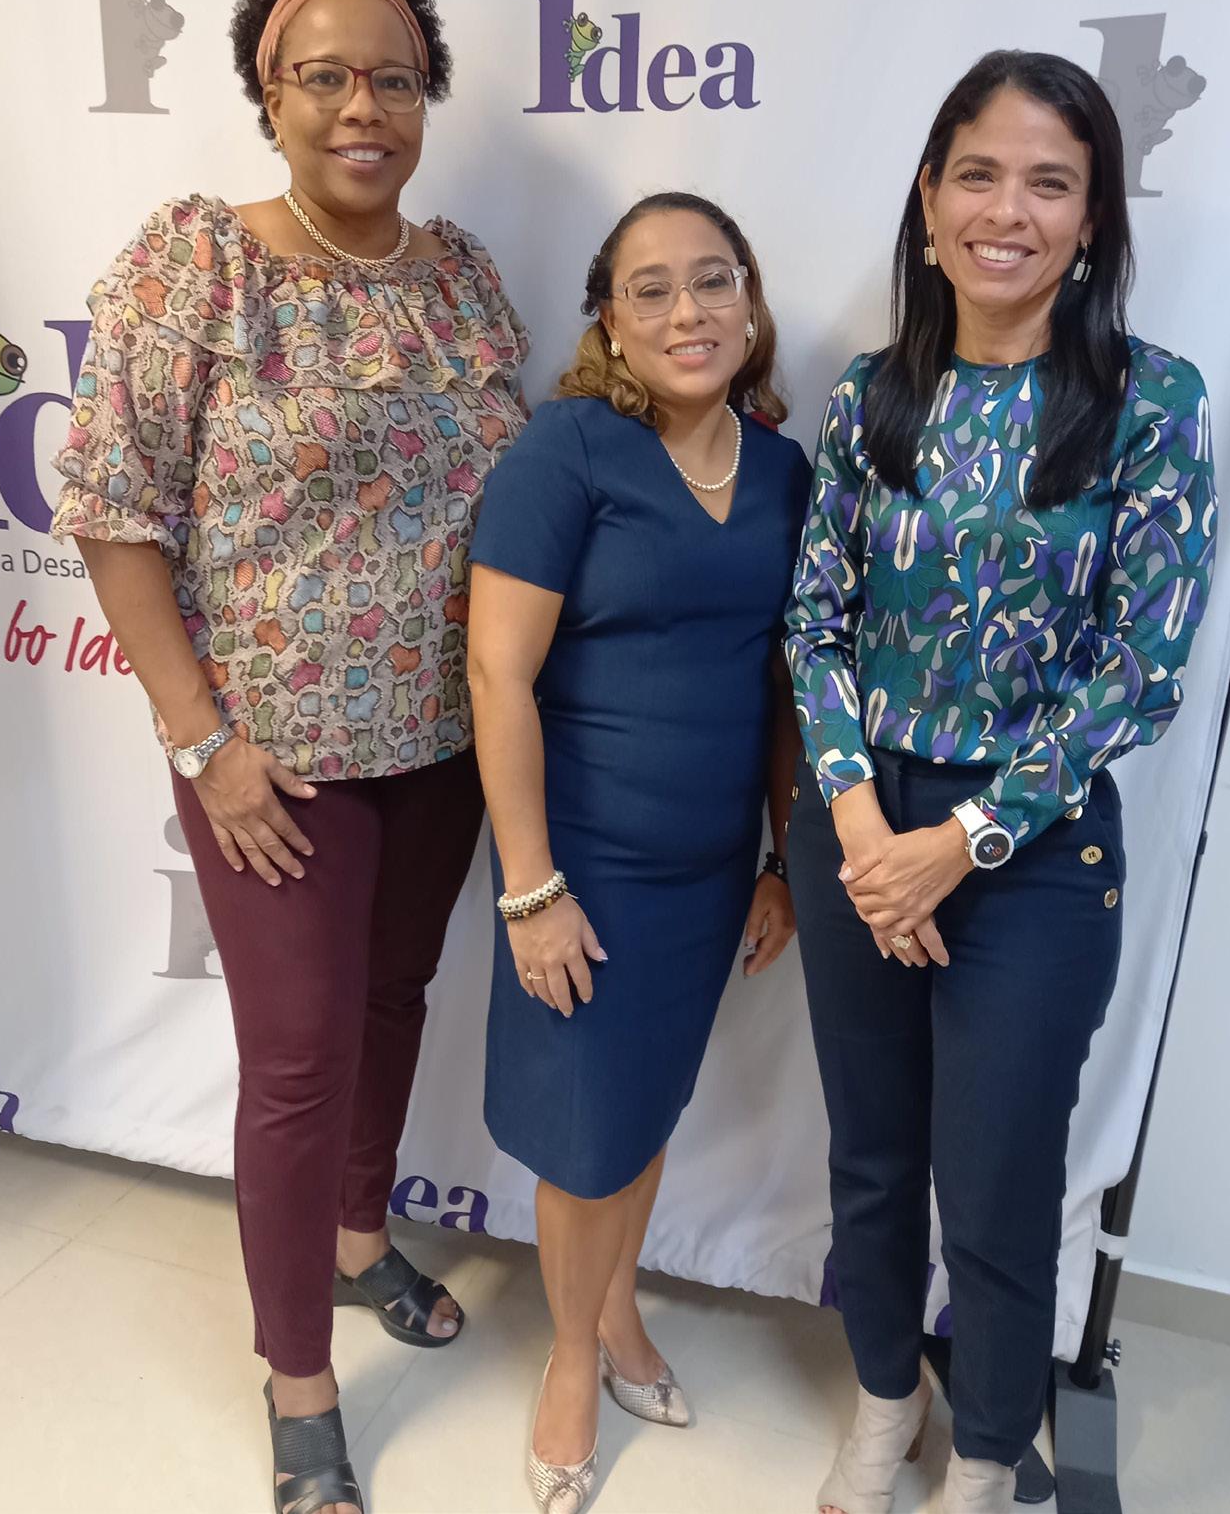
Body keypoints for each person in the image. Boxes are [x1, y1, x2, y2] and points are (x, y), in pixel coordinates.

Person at [50, 0, 529, 1514]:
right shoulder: (197, 265)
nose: (360, 107)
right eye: (322, 75)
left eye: (392, 77)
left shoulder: (461, 276)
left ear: (428, 95)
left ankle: (355, 1235)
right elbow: (114, 512)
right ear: (268, 93)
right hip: (275, 760)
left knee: (392, 998)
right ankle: (301, 1379)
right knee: (300, 1056)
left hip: (444, 742)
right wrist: (206, 744)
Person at [785, 50, 1217, 1514]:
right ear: (928, 201)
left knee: (996, 1177)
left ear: (1091, 219)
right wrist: (864, 828)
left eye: (1049, 182)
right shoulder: (871, 396)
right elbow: (814, 621)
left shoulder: (1147, 401)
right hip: (859, 824)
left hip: (1030, 850)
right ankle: (881, 1401)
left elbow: (1141, 665)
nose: (1007, 211)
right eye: (977, 174)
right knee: (870, 1156)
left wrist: (958, 841)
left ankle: (981, 1451)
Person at [467, 192, 810, 1513]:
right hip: (583, 870)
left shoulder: (781, 472)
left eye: (713, 280)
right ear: (608, 320)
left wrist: (780, 857)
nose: (687, 311)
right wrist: (532, 889)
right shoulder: (568, 451)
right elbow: (498, 676)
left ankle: (615, 1312)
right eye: (650, 288)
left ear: (751, 301)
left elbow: (783, 686)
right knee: (584, 1138)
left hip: (710, 869)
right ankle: (571, 1357)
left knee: (645, 1109)